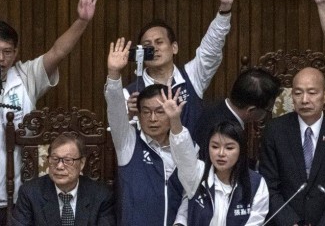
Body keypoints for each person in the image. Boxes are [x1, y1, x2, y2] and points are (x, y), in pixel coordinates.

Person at [0, 0, 100, 226]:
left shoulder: (25, 75)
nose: (0, 59)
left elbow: (58, 52)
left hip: (22, 195)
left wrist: (81, 20)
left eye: (8, 52)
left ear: (16, 53)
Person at [125, 0, 237, 137]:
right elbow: (122, 137)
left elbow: (211, 48)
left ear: (174, 47)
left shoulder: (192, 75)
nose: (153, 48)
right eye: (147, 45)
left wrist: (225, 9)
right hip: (151, 161)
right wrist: (129, 115)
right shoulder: (130, 93)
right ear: (141, 52)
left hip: (192, 160)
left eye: (159, 42)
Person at [258, 66, 325, 226]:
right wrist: (291, 222)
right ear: (292, 96)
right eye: (298, 93)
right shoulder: (275, 130)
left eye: (312, 93)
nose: (304, 100)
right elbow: (269, 186)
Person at [107, 38, 190, 226]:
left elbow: (191, 191)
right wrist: (113, 74)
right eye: (146, 112)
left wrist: (181, 222)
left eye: (160, 112)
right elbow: (115, 111)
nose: (152, 119)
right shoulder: (127, 143)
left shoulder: (186, 145)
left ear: (171, 113)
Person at [163, 91, 270, 226]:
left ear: (241, 150)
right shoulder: (197, 174)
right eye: (214, 146)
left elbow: (255, 221)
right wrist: (175, 120)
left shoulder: (257, 184)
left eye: (229, 148)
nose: (221, 153)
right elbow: (183, 153)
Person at [9, 131, 117, 226]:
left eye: (68, 160)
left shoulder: (101, 196)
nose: (59, 166)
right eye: (55, 159)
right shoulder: (30, 193)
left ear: (82, 163)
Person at [194, 67, 280, 162]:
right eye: (268, 110)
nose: (268, 113)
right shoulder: (226, 130)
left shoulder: (215, 107)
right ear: (251, 110)